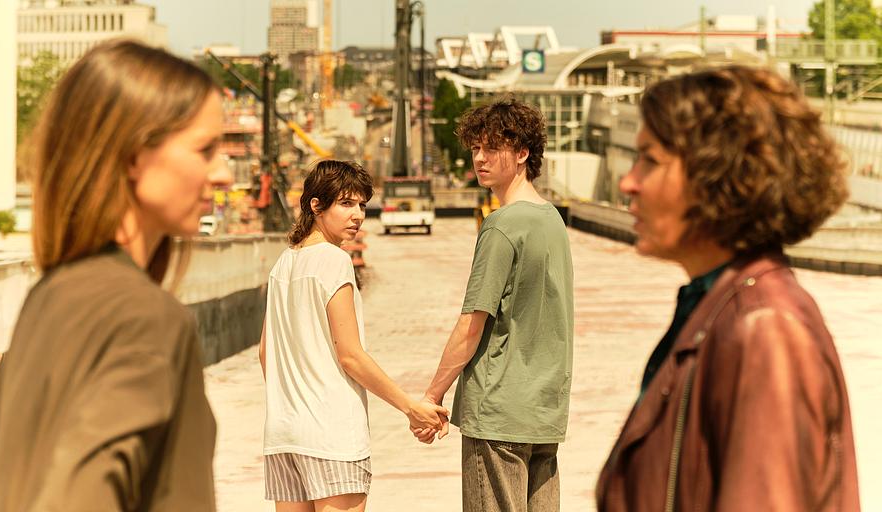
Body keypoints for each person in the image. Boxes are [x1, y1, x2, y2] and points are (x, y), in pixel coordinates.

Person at [0, 40, 231, 510]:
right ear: (134, 155)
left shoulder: (51, 298)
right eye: (206, 149)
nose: (225, 173)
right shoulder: (145, 317)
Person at [596, 66, 860, 511]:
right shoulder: (719, 307)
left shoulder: (765, 329)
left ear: (717, 175)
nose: (628, 182)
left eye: (650, 160)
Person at [258, 159, 449, 512]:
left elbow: (265, 352)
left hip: (284, 435)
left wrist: (294, 401)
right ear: (316, 205)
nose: (358, 214)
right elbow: (350, 355)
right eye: (346, 203)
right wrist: (410, 408)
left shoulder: (282, 265)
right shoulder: (333, 261)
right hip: (332, 434)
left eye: (362, 204)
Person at [415, 97, 575, 512]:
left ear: (523, 153)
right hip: (544, 411)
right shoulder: (553, 220)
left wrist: (432, 396)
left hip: (499, 411)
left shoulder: (503, 225)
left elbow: (472, 324)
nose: (480, 159)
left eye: (492, 148)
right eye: (475, 149)